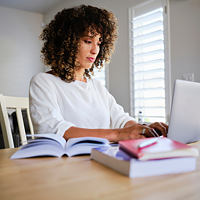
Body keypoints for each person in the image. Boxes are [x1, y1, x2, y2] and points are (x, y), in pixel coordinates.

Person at [29, 4, 168, 142]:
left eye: (99, 43)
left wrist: (145, 128)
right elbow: (52, 129)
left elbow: (121, 120)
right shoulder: (43, 82)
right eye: (88, 41)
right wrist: (118, 135)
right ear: (67, 43)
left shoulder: (97, 87)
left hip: (102, 157)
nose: (95, 50)